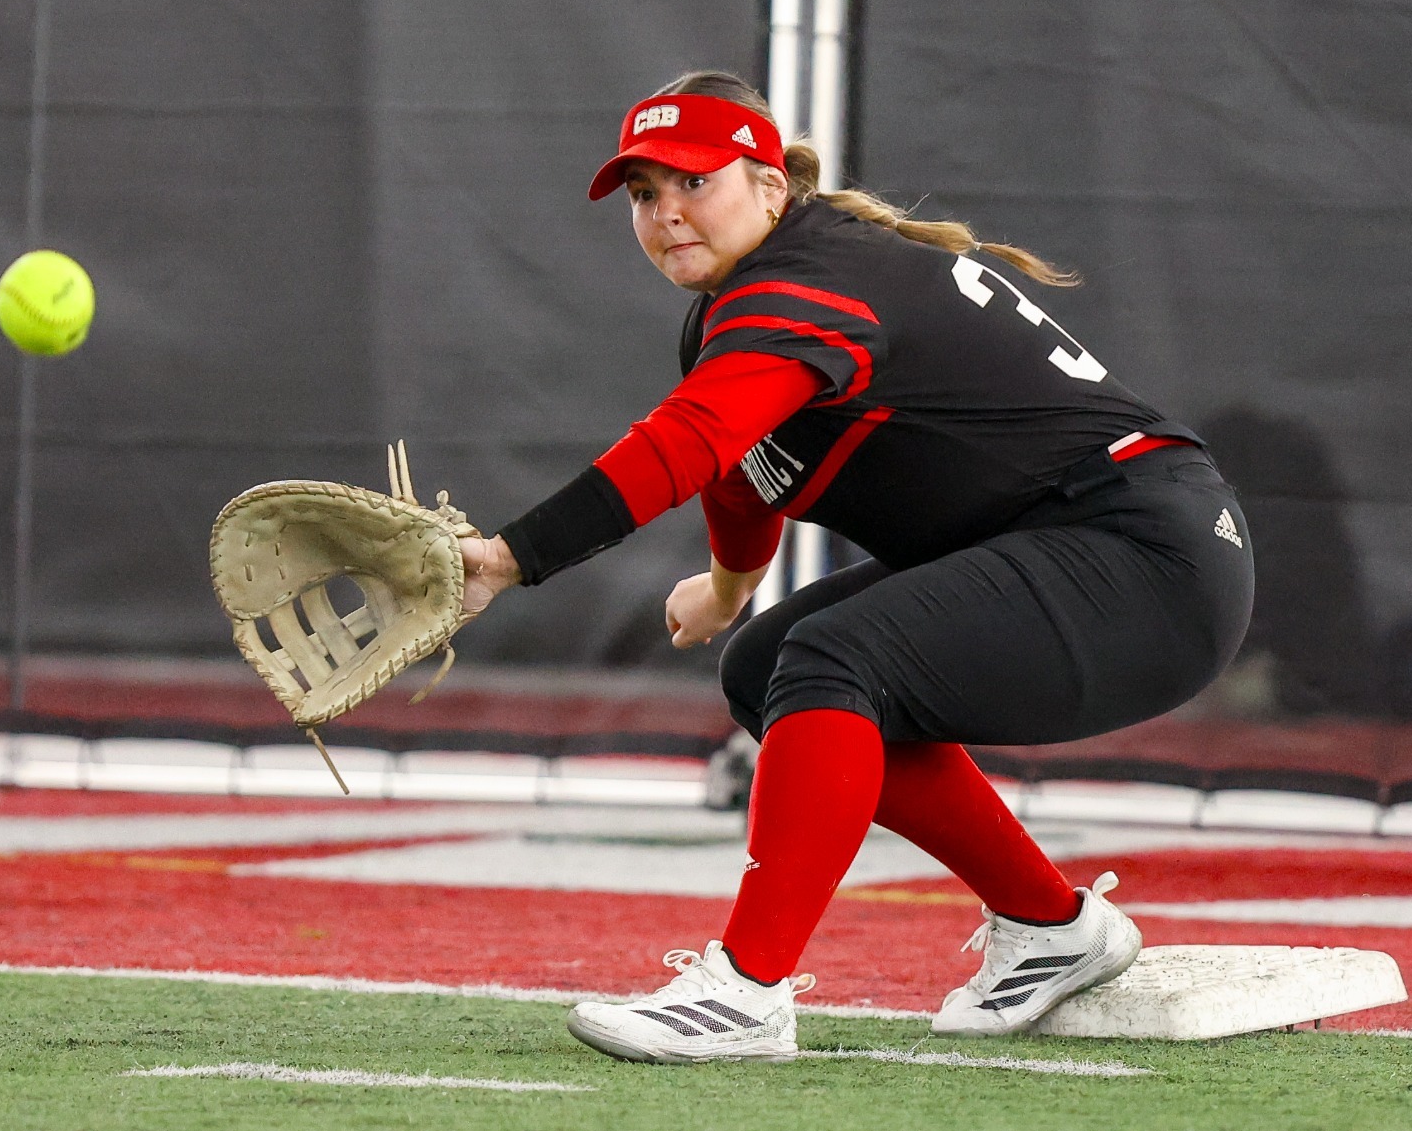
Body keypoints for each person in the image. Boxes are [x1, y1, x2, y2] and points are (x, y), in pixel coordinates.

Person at [457, 71, 1254, 1064]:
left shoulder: (805, 283)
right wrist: (728, 590)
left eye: (692, 183)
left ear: (768, 187)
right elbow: (746, 472)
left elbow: (687, 444)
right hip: (1092, 544)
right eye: (643, 193)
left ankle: (745, 992)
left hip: (1145, 559)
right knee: (766, 664)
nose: (665, 213)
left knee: (837, 657)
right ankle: (1051, 927)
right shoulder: (761, 294)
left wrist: (505, 557)